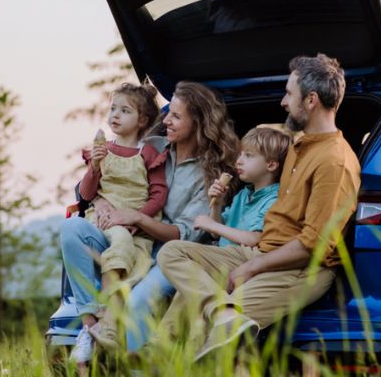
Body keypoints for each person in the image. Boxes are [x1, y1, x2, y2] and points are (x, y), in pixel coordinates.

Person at [157, 53, 361, 361]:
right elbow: (260, 143)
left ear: (311, 100)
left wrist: (251, 267)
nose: (282, 101)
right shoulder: (299, 144)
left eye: (289, 94)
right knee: (173, 252)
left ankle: (218, 323)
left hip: (299, 268)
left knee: (212, 339)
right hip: (262, 251)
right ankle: (219, 312)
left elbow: (313, 246)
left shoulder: (335, 162)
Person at [59, 81, 239, 363]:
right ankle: (91, 326)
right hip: (125, 238)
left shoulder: (209, 174)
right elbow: (102, 184)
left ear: (199, 123)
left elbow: (187, 235)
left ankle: (135, 366)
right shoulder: (152, 146)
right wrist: (100, 201)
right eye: (169, 113)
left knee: (139, 301)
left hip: (171, 254)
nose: (165, 120)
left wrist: (137, 217)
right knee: (72, 228)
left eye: (176, 116)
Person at [77, 82, 168, 351]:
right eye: (113, 108)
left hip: (133, 222)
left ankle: (110, 322)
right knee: (121, 242)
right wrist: (94, 166)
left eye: (124, 110)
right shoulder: (103, 150)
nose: (114, 115)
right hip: (103, 220)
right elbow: (86, 193)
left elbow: (158, 196)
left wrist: (134, 218)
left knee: (129, 246)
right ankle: (107, 318)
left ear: (142, 121)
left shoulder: (148, 153)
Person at [193, 126, 291, 248]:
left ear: (271, 165)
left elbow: (254, 239)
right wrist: (217, 204)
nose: (239, 161)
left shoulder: (274, 199)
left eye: (248, 155)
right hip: (223, 255)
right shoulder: (243, 194)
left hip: (242, 259)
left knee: (173, 250)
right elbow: (215, 235)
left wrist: (212, 225)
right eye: (240, 155)